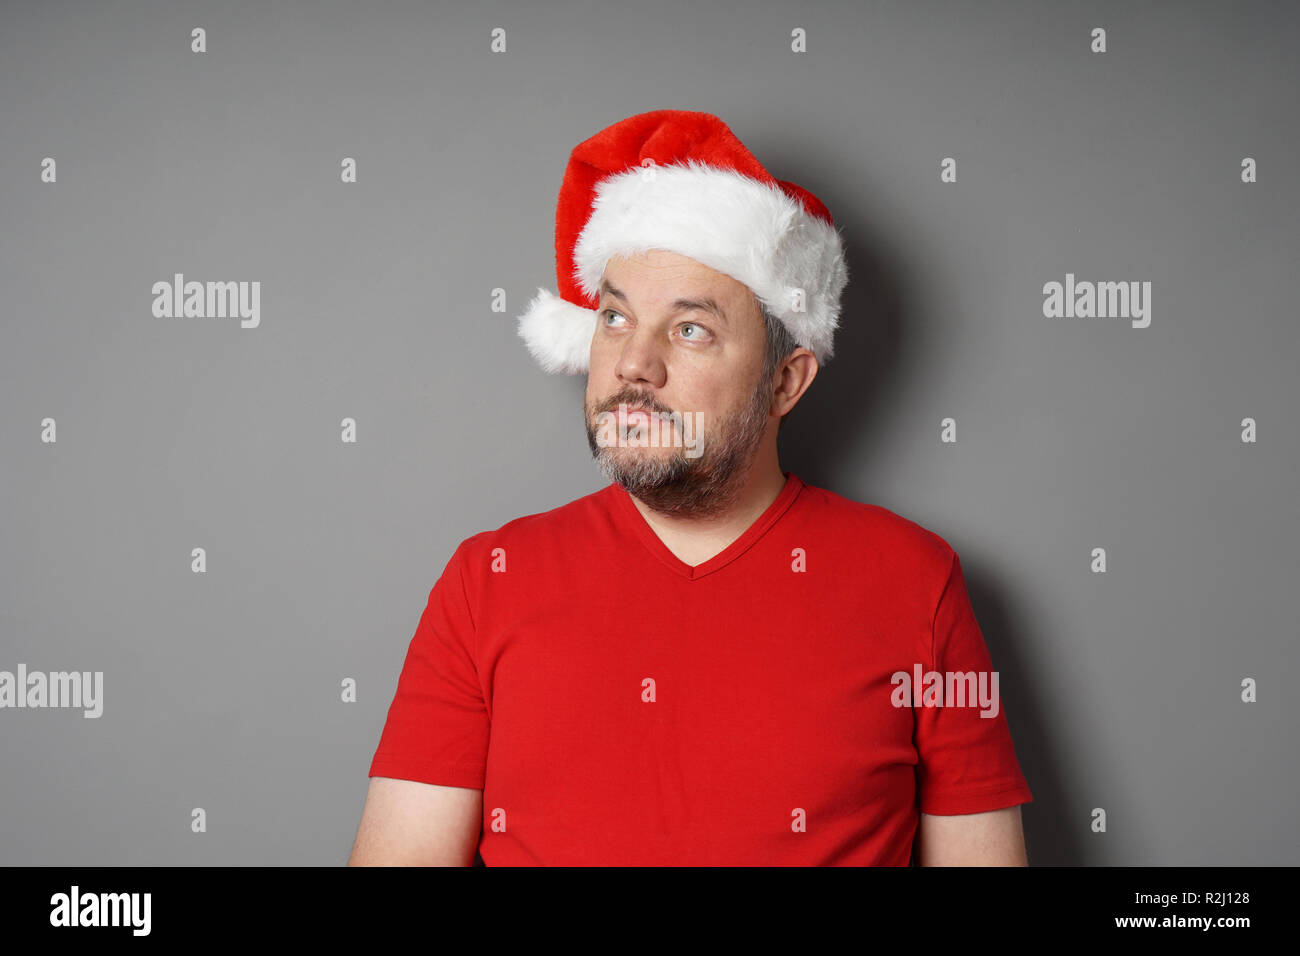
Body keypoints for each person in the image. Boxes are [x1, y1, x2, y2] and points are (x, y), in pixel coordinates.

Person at [348, 109, 1032, 866]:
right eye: (614, 317)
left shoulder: (917, 582)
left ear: (785, 379)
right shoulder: (486, 583)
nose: (634, 363)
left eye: (690, 328)